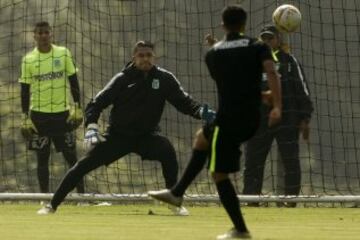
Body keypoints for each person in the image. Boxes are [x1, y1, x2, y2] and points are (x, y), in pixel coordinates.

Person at [37, 40, 216, 215]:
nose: (145, 59)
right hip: (117, 137)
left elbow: (184, 102)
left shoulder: (164, 78)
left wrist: (201, 112)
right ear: (134, 58)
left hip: (147, 137)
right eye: (141, 56)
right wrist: (91, 126)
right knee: (81, 167)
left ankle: (174, 202)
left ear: (154, 58)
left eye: (148, 55)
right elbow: (96, 104)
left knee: (168, 152)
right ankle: (51, 206)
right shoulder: (122, 79)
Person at [148, 5, 282, 239]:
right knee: (201, 138)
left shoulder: (213, 54)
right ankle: (177, 192)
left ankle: (240, 230)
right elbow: (271, 74)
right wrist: (277, 104)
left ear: (223, 25)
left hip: (229, 119)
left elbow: (232, 84)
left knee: (219, 174)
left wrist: (214, 46)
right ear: (244, 24)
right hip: (251, 117)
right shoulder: (258, 46)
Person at [242, 25, 314, 207]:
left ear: (278, 39)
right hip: (258, 121)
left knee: (291, 161)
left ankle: (291, 202)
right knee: (253, 163)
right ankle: (252, 202)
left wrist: (305, 118)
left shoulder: (290, 61)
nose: (267, 41)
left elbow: (302, 90)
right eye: (264, 38)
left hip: (288, 119)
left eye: (270, 38)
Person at [19, 21, 85, 195]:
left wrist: (78, 107)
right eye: (39, 33)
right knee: (42, 159)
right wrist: (25, 116)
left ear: (51, 34)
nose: (43, 36)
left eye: (46, 32)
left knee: (71, 157)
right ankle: (44, 197)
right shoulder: (28, 60)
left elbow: (73, 82)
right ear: (34, 36)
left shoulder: (63, 54)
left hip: (62, 115)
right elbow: (24, 90)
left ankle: (82, 197)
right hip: (38, 117)